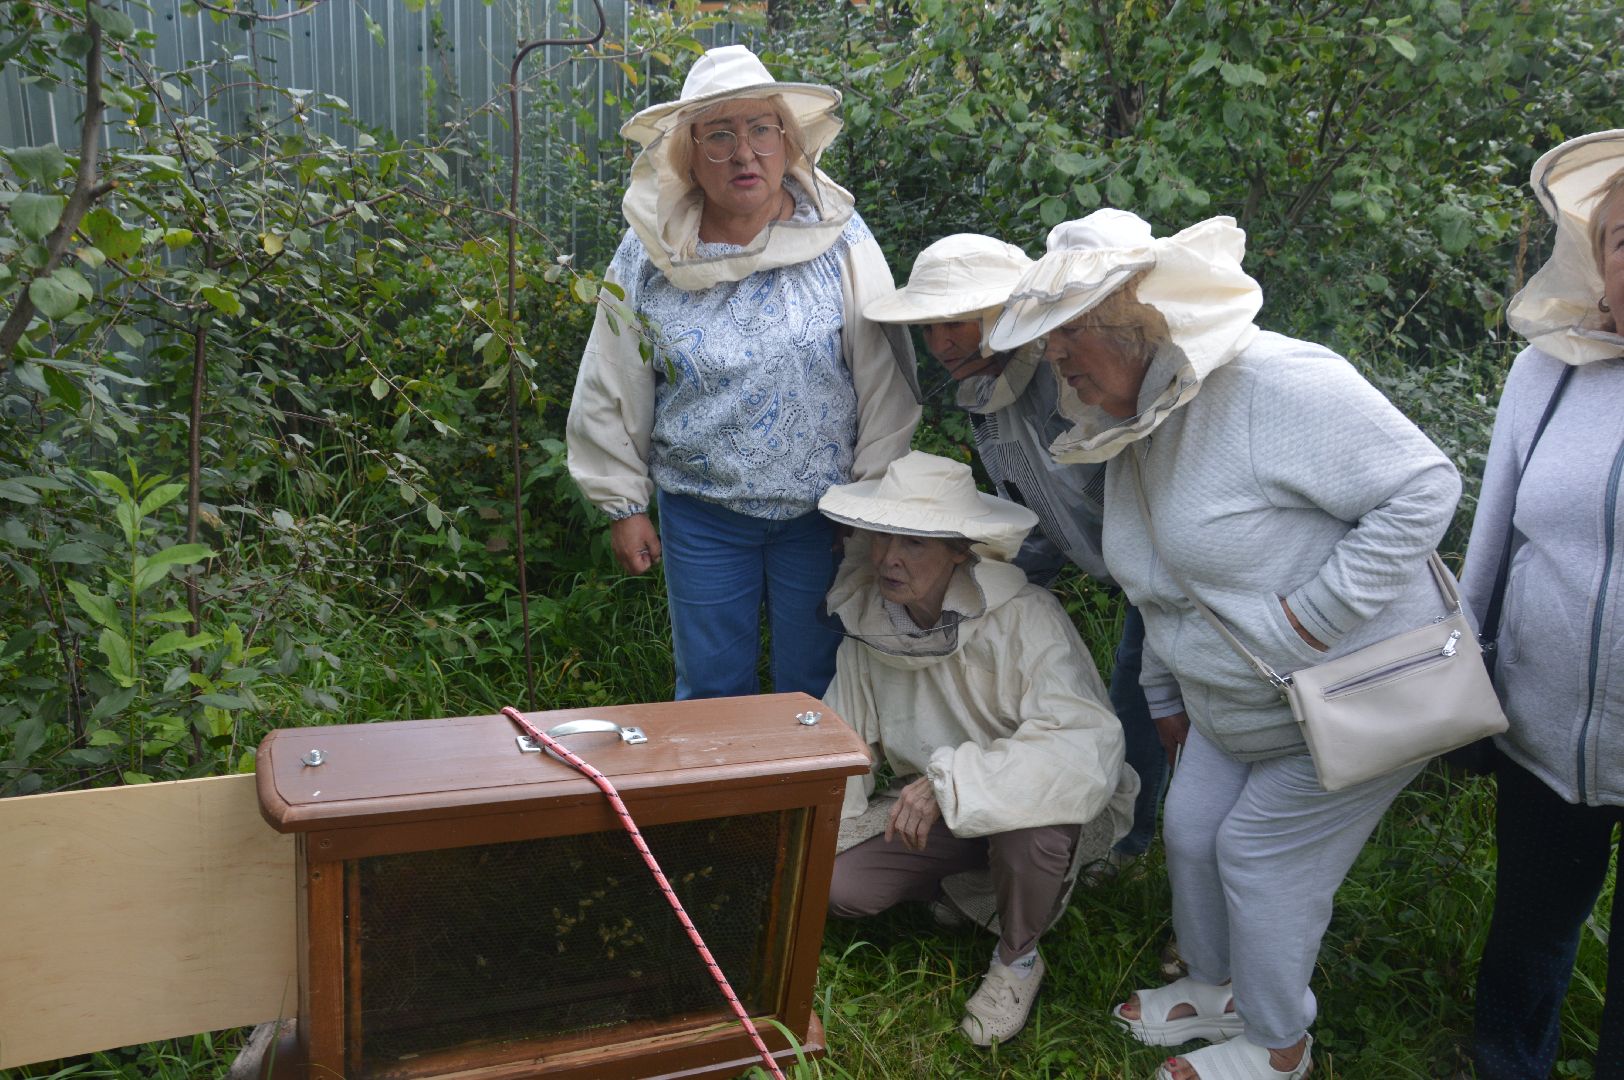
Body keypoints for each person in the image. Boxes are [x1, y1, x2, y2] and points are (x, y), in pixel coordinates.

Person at [988, 209, 1460, 1080]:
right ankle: (1216, 989)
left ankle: (1281, 1044)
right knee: (1195, 828)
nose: (1056, 368)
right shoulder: (1133, 419)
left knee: (1258, 856)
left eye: (1064, 345)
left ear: (1130, 322)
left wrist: (1313, 618)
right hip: (1237, 705)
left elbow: (1424, 485)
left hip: (1350, 697)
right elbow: (1166, 576)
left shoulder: (1273, 383)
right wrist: (1166, 696)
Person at [565, 45, 920, 701]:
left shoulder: (840, 236)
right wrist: (621, 501)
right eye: (720, 135)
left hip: (826, 515)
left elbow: (885, 377)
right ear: (690, 153)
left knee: (819, 684)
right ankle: (720, 804)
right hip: (703, 514)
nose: (744, 152)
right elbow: (611, 374)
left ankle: (816, 807)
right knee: (710, 688)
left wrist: (872, 501)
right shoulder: (649, 249)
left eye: (760, 128)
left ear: (788, 139)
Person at [863, 229, 1167, 882]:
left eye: (958, 323)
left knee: (1144, 692)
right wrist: (973, 594)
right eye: (931, 328)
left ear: (1007, 313)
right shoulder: (983, 394)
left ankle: (1132, 844)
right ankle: (1115, 834)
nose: (942, 345)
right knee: (1131, 689)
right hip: (1118, 567)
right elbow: (1029, 513)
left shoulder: (1071, 373)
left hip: (1166, 567)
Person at [818, 450, 1138, 1047]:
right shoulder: (868, 624)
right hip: (928, 811)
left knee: (1033, 828)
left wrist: (953, 784)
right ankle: (964, 888)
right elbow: (846, 744)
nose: (889, 558)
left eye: (914, 544)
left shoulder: (1026, 617)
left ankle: (1017, 959)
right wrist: (801, 839)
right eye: (883, 536)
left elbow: (1083, 744)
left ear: (961, 550)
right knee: (840, 887)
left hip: (1027, 810)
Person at [1466, 129, 1624, 1079]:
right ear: (1599, 265)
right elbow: (1490, 540)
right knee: (1529, 934)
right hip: (1545, 727)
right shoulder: (1549, 374)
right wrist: (1469, 684)